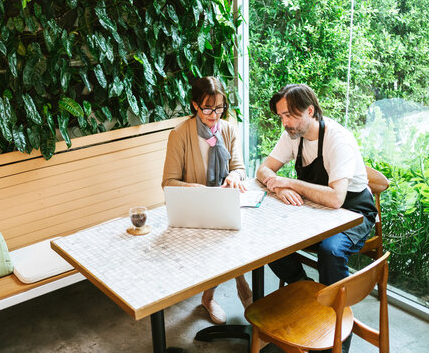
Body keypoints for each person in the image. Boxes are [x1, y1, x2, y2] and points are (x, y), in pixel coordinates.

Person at [256, 84, 378, 351]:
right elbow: (263, 169)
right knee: (268, 238)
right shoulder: (292, 134)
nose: (285, 122)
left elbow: (336, 198)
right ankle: (308, 293)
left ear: (310, 110)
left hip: (354, 211)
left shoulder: (337, 139)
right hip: (315, 208)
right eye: (281, 117)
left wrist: (289, 182)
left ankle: (338, 336)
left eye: (289, 115)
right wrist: (278, 183)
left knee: (330, 250)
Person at [162, 76, 253, 324]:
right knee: (220, 243)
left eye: (220, 107)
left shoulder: (229, 129)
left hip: (224, 203)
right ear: (195, 105)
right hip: (196, 208)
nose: (215, 115)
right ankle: (235, 287)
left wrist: (234, 176)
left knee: (240, 236)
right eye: (208, 108)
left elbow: (240, 168)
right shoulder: (180, 134)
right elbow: (168, 183)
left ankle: (215, 293)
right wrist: (198, 189)